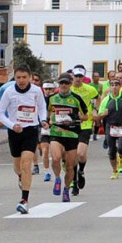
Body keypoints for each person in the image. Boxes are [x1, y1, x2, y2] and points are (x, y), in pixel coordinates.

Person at [0, 65, 47, 213]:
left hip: (31, 130)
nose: (21, 80)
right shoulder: (9, 92)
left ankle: (24, 200)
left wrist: (43, 119)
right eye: (18, 77)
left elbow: (42, 107)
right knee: (18, 167)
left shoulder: (37, 91)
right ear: (15, 78)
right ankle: (20, 176)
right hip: (15, 132)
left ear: (30, 77)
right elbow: (0, 113)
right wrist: (12, 126)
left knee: (26, 164)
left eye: (24, 77)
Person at [46, 74, 88, 202]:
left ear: (70, 84)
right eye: (61, 83)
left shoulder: (76, 98)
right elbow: (47, 113)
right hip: (56, 133)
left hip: (72, 134)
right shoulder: (52, 98)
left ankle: (66, 189)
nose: (63, 85)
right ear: (58, 84)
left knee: (70, 166)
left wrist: (75, 117)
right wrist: (49, 120)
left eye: (66, 83)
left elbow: (86, 116)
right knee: (56, 158)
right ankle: (58, 178)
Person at [70, 66, 99, 196]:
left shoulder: (90, 89)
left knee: (81, 154)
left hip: (85, 124)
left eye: (80, 76)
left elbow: (97, 98)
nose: (78, 79)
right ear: (72, 76)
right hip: (70, 125)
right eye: (76, 76)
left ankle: (81, 171)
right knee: (73, 155)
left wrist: (95, 110)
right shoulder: (68, 88)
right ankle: (74, 181)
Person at [95, 78, 122, 179]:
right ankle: (114, 171)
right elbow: (99, 115)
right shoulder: (106, 100)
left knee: (121, 148)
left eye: (117, 85)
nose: (114, 87)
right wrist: (103, 114)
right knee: (112, 150)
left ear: (120, 87)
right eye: (112, 85)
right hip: (110, 126)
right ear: (110, 87)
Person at [38, 80, 58, 180]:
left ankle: (58, 169)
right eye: (46, 89)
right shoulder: (40, 99)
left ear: (54, 89)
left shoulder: (57, 99)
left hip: (55, 128)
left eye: (50, 89)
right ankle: (47, 172)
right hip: (44, 128)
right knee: (45, 150)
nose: (48, 91)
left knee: (56, 153)